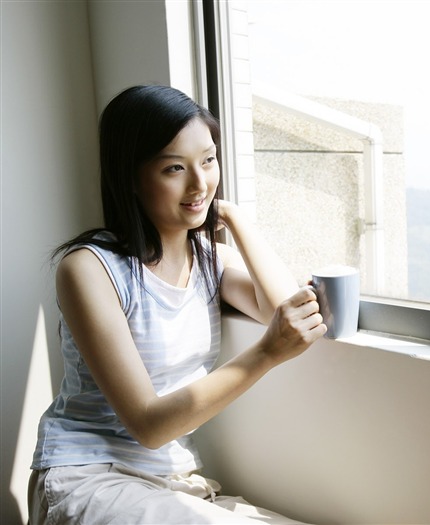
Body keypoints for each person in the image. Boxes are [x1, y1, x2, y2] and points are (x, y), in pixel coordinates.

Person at [28, 85, 327, 524]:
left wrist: (235, 219)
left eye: (208, 160)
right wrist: (265, 354)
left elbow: (289, 312)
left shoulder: (209, 259)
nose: (199, 182)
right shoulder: (89, 269)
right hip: (89, 476)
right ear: (130, 175)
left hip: (174, 479)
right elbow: (149, 425)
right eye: (174, 168)